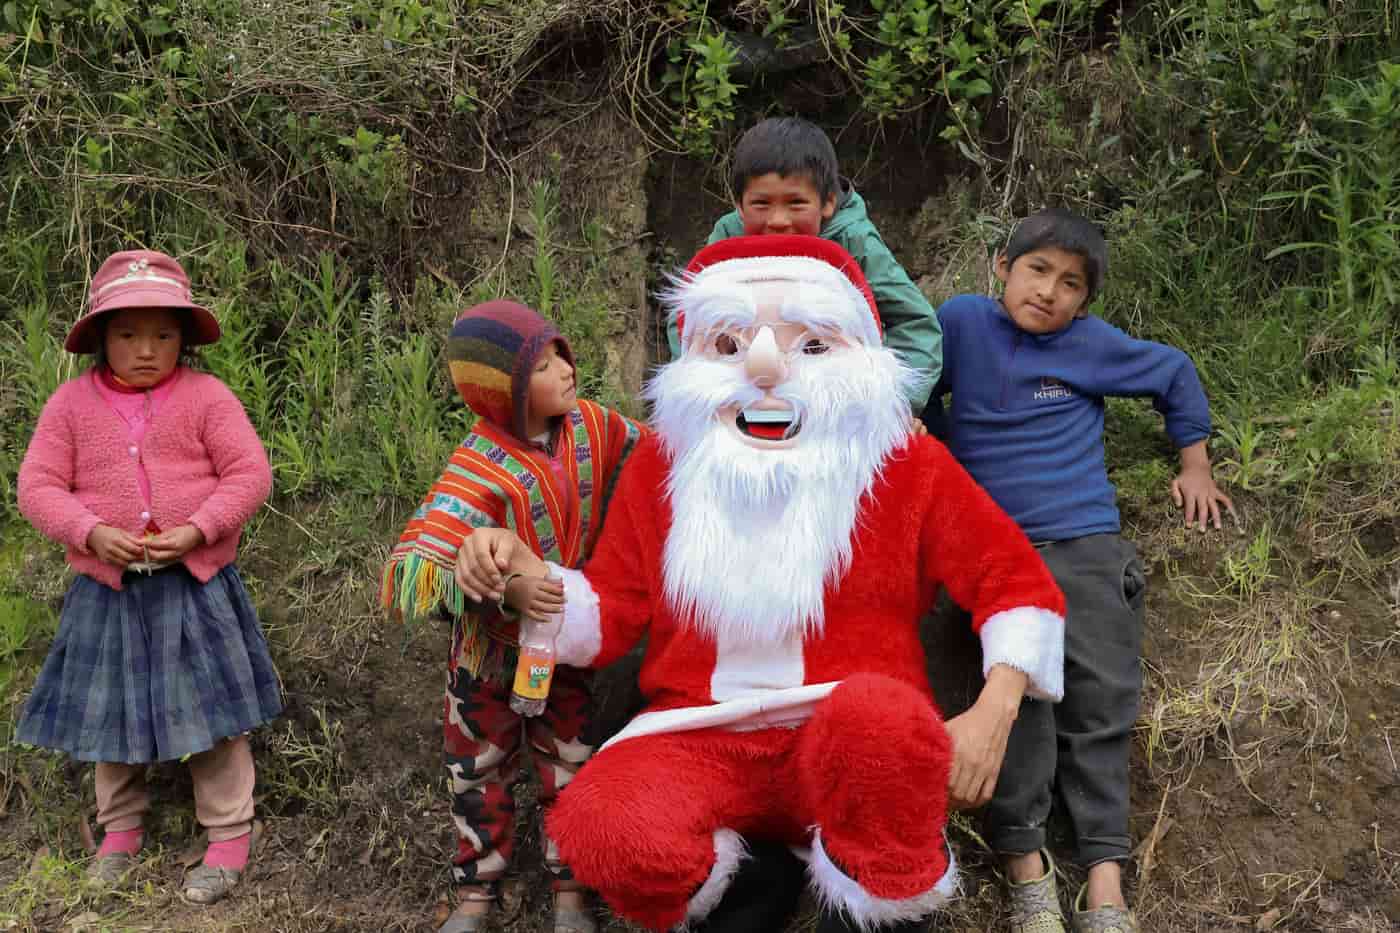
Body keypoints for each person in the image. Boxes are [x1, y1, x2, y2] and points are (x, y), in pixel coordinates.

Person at [457, 235, 1067, 933]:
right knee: (603, 820)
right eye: (728, 345)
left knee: (881, 726)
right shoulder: (665, 460)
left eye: (810, 346)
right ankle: (753, 881)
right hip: (699, 732)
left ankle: (878, 902)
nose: (767, 367)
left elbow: (1015, 580)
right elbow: (612, 608)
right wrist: (529, 578)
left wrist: (994, 712)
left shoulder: (903, 459)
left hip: (847, 732)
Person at [923, 208, 1237, 933]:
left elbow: (1173, 372)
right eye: (1037, 271)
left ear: (1084, 302)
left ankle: (1104, 877)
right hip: (996, 554)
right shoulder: (963, 323)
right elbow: (916, 385)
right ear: (1003, 267)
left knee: (1101, 699)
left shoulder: (1089, 345)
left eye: (1071, 284)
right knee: (1024, 697)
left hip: (1084, 544)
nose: (1049, 293)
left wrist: (1195, 462)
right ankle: (1026, 865)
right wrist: (936, 448)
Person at [15, 249, 279, 905]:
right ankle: (120, 832)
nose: (145, 348)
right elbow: (37, 487)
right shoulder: (71, 405)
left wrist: (199, 527)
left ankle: (227, 837)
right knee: (111, 716)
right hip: (108, 592)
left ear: (183, 338)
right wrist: (89, 531)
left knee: (215, 715)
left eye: (163, 333)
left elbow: (250, 474)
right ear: (100, 337)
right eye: (128, 332)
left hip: (195, 586)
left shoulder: (206, 397)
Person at [380, 300, 643, 933]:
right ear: (507, 393)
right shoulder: (478, 464)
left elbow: (654, 454)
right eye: (545, 367)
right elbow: (414, 565)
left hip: (561, 644)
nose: (566, 372)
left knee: (571, 763)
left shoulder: (593, 428)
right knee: (478, 768)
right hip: (488, 657)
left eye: (561, 355)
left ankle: (572, 888)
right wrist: (498, 591)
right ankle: (476, 889)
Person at [667, 116, 943, 416]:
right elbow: (686, 318)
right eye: (761, 204)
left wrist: (897, 406)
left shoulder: (853, 239)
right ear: (739, 204)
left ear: (828, 203)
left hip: (835, 395)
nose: (778, 221)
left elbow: (915, 322)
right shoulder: (728, 237)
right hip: (751, 382)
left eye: (796, 204)